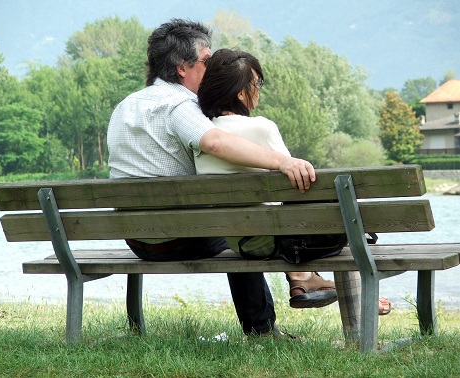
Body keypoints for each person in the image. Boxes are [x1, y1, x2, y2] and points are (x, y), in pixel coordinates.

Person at [107, 18, 327, 338]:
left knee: (234, 223)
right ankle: (267, 323)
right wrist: (283, 162)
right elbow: (215, 142)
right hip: (178, 238)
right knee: (240, 227)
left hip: (137, 238)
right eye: (207, 60)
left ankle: (299, 281)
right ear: (183, 67)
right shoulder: (178, 104)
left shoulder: (127, 105)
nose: (212, 67)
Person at [195, 48, 391, 316]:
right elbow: (298, 186)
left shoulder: (201, 134)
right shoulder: (261, 128)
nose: (259, 90)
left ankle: (304, 279)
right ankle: (337, 291)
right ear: (241, 92)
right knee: (348, 222)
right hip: (277, 244)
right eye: (257, 83)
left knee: (335, 222)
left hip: (241, 245)